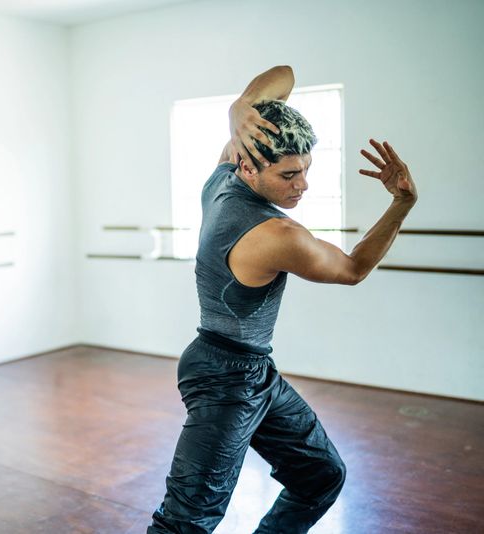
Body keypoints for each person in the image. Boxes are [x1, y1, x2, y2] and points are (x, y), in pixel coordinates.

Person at [149, 65, 418, 533]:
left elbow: (285, 75)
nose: (303, 184)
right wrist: (401, 204)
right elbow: (353, 269)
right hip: (225, 381)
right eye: (289, 174)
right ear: (249, 164)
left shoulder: (222, 180)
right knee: (184, 524)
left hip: (248, 369)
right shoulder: (276, 234)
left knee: (321, 475)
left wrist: (240, 110)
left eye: (307, 169)